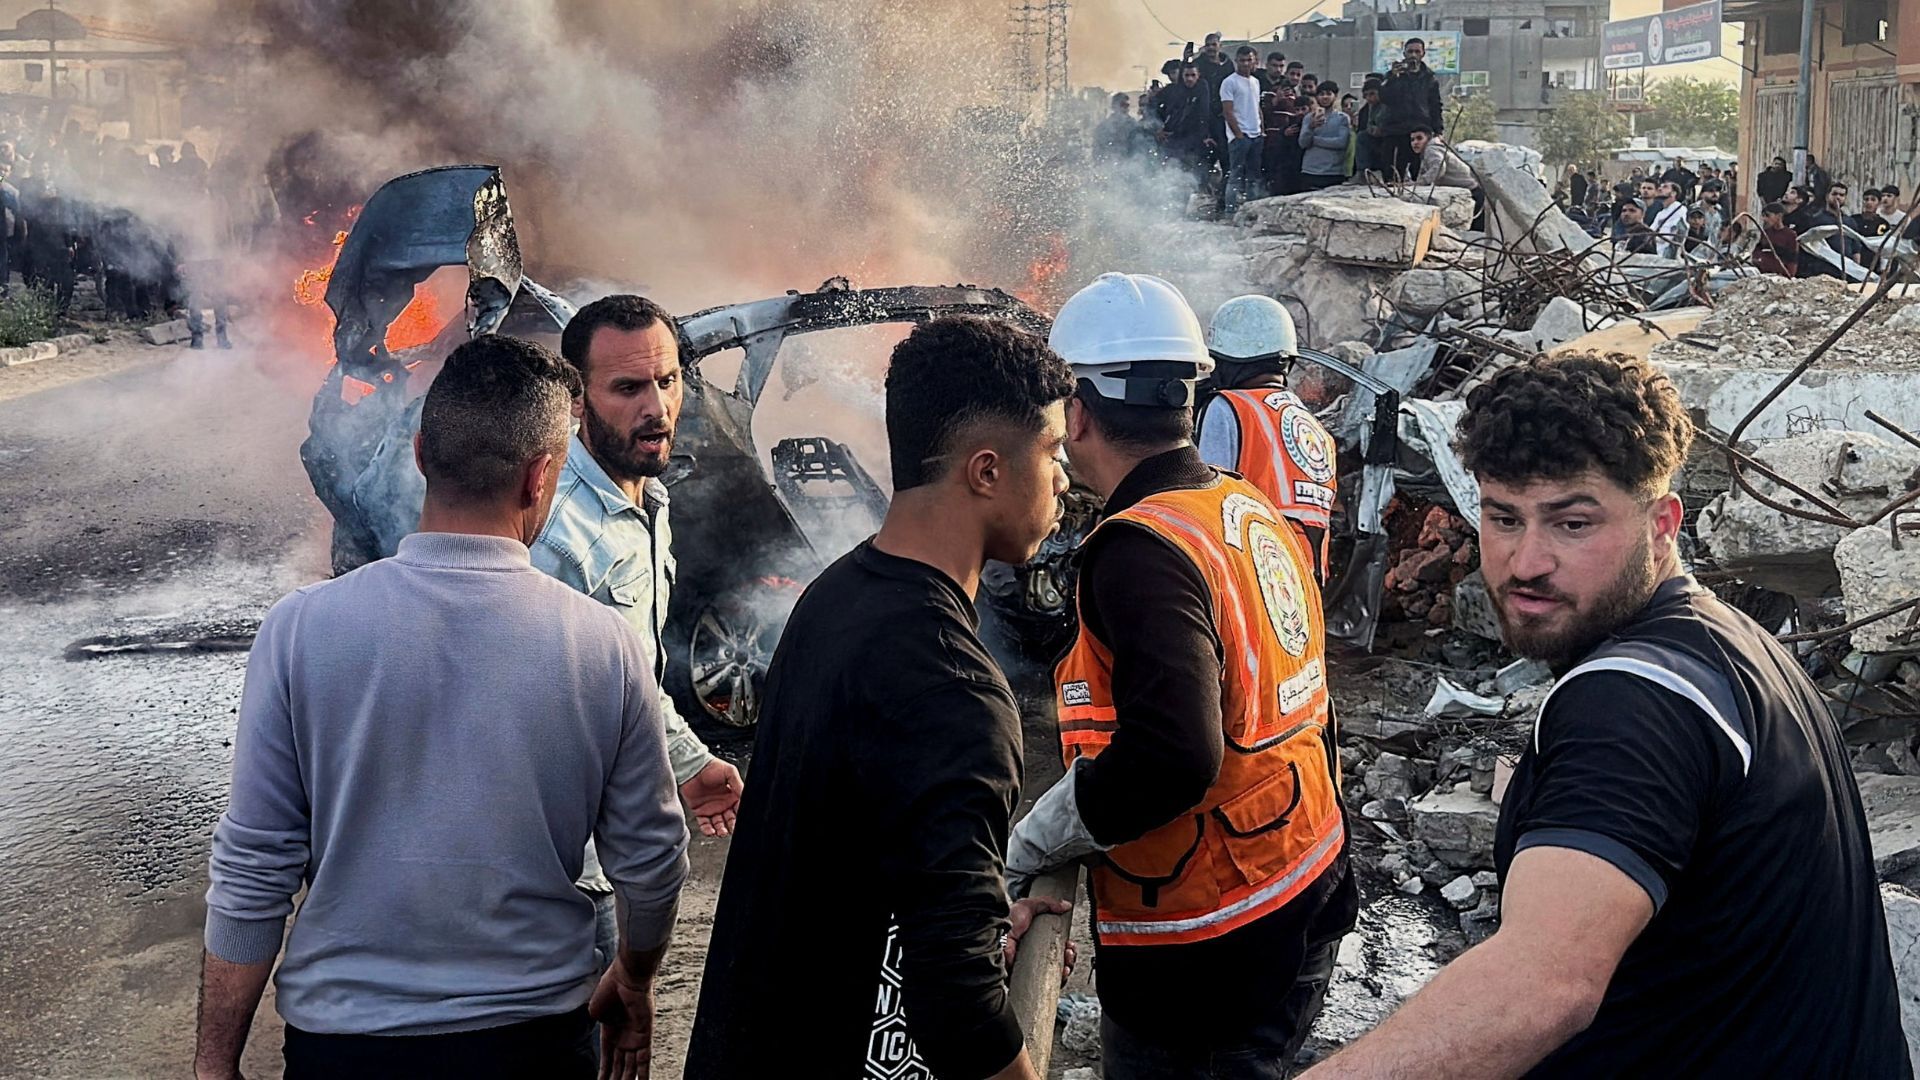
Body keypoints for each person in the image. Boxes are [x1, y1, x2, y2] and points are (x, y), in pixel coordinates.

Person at [1300, 352, 1910, 1078]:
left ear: (1662, 524)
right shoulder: (1733, 646)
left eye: (1572, 523)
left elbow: (1540, 989)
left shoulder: (1630, 702)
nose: (1526, 561)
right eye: (1503, 517)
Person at [195, 335, 690, 1080]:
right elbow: (651, 860)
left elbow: (254, 865)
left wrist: (215, 1063)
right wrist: (635, 976)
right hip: (535, 1042)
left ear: (422, 454)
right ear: (541, 476)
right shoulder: (602, 644)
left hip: (344, 1046)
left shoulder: (300, 630)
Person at [686, 317, 1078, 1080]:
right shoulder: (954, 689)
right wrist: (965, 949)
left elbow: (865, 855)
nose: (1064, 477)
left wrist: (975, 910)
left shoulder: (835, 597)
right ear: (987, 471)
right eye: (1053, 452)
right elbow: (960, 1010)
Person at [1007, 273, 1355, 1080]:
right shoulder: (1242, 506)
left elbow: (1175, 755)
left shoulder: (1140, 549)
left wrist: (1045, 832)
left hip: (1210, 948)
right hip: (1309, 876)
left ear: (1077, 413)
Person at [530, 295, 745, 989]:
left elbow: (626, 676)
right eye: (627, 388)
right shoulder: (557, 533)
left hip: (602, 864)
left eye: (668, 381)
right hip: (559, 878)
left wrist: (688, 761)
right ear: (576, 398)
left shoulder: (647, 502)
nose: (656, 408)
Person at [1198, 295, 1338, 580]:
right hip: (1306, 578)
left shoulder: (1228, 408)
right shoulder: (1314, 426)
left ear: (1232, 361)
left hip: (1253, 570)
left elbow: (1204, 499)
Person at [1381, 38, 1443, 179]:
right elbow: (1384, 98)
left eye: (1417, 51)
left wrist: (1438, 130)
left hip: (1419, 129)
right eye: (1410, 51)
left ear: (1423, 53)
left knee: (1418, 173)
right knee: (1392, 173)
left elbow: (1435, 105)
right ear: (1404, 53)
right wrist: (1393, 78)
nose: (1413, 55)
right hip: (1395, 129)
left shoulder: (1429, 78)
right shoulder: (1393, 75)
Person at [1219, 46, 1265, 213]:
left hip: (1256, 135)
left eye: (1249, 60)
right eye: (1242, 60)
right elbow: (1227, 111)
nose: (1245, 64)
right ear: (1236, 61)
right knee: (1235, 176)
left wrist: (1262, 129)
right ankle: (1230, 212)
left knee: (1254, 177)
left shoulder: (1255, 82)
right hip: (1240, 136)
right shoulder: (1229, 82)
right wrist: (1238, 134)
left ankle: (1251, 212)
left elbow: (1256, 106)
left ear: (1255, 61)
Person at [1297, 81, 1350, 190]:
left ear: (1335, 96)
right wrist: (1310, 127)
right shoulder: (1309, 118)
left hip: (1333, 172)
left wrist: (1315, 140)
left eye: (1329, 93)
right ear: (1317, 97)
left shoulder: (1342, 118)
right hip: (1310, 170)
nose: (1325, 97)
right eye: (1321, 94)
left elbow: (1341, 143)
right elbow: (1303, 143)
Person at [1753, 201, 1800, 277]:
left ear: (1779, 216)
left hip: (1779, 275)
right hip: (1762, 273)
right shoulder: (1766, 233)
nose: (1764, 219)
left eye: (1768, 215)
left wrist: (1789, 275)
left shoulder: (1790, 235)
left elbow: (1792, 259)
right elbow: (1758, 250)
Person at [1096, 92, 1141, 163]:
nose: (1125, 108)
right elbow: (1098, 148)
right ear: (1114, 106)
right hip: (1110, 161)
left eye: (1127, 105)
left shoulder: (1133, 124)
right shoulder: (1104, 126)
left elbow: (1138, 144)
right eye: (1122, 105)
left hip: (1128, 161)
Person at [1355, 78, 1387, 177]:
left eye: (1372, 94)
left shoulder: (1388, 104)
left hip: (1390, 137)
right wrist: (1373, 130)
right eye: (1366, 95)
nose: (1369, 98)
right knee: (1362, 136)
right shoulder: (1370, 107)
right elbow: (1369, 124)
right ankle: (1362, 172)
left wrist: (1382, 129)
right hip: (1375, 138)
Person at [1649, 181, 1689, 257]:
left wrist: (1655, 237)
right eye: (1660, 186)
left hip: (1669, 255)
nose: (1660, 189)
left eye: (1665, 187)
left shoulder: (1679, 209)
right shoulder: (1660, 213)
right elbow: (1650, 231)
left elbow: (1670, 236)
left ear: (1673, 193)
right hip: (1657, 254)